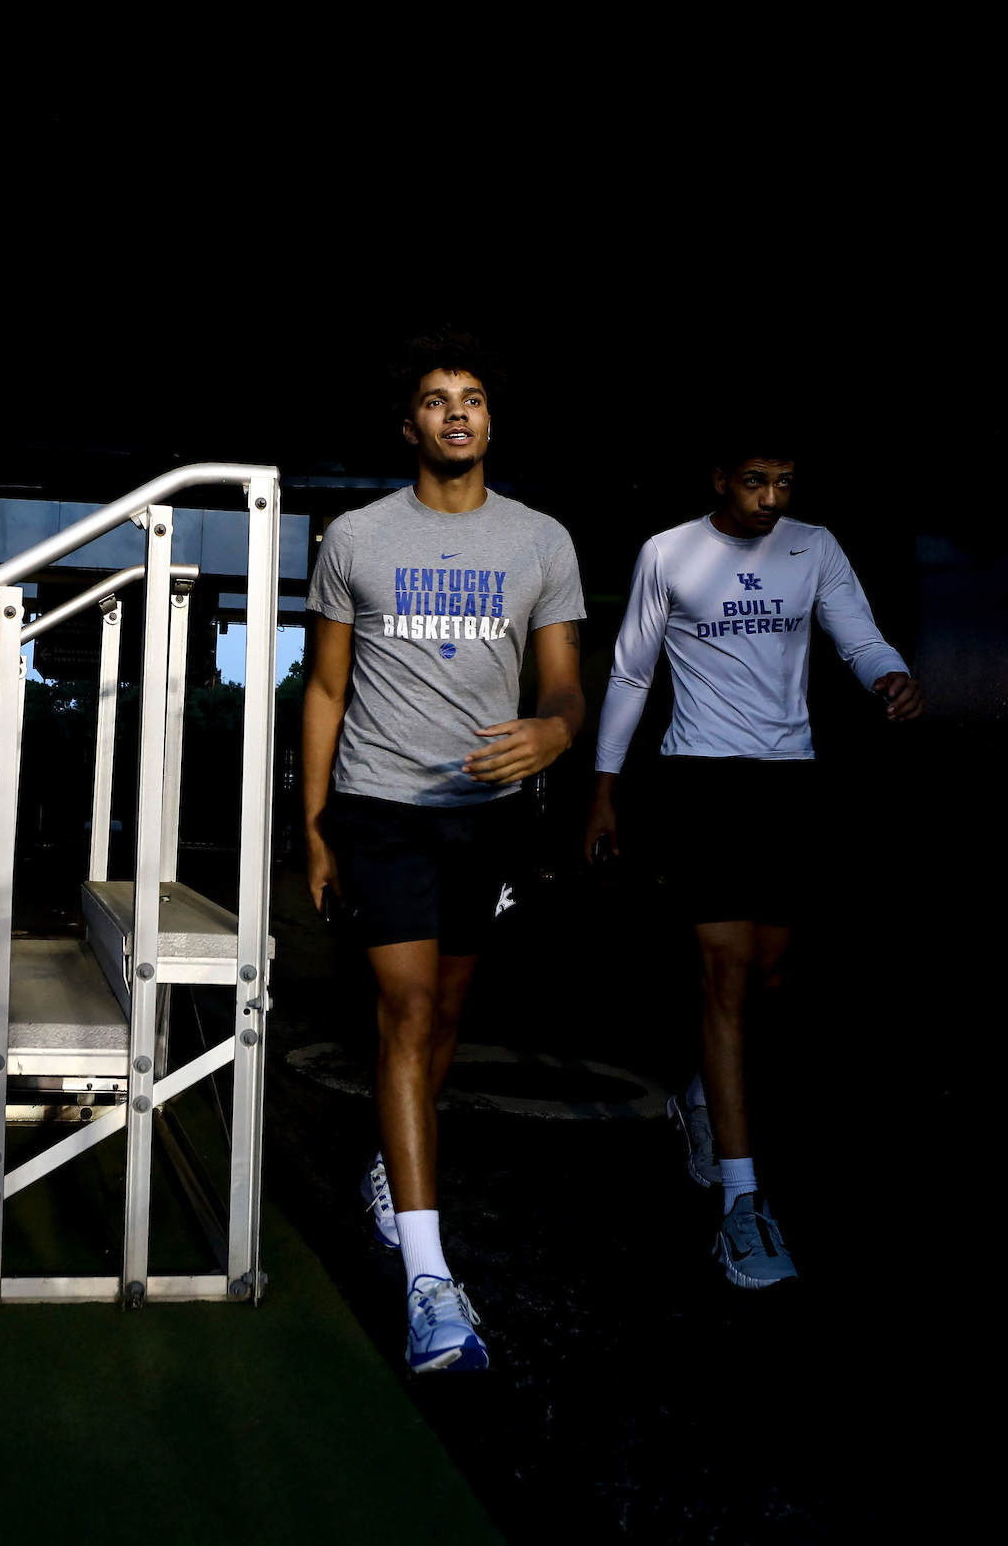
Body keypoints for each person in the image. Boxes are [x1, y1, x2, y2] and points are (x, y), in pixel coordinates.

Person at [303, 329, 587, 1372]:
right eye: (436, 398)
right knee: (406, 1010)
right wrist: (317, 827)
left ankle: (396, 1157)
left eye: (472, 397)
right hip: (381, 808)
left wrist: (556, 731)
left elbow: (562, 682)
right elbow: (325, 689)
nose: (456, 412)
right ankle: (430, 1280)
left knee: (449, 1014)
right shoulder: (355, 538)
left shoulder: (541, 541)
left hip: (491, 816)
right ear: (410, 423)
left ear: (490, 421)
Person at [583, 452, 923, 1288]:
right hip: (701, 780)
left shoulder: (815, 547)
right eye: (754, 482)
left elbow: (860, 636)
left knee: (767, 978)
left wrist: (891, 676)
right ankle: (743, 1203)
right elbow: (632, 670)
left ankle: (701, 1095)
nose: (772, 500)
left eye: (786, 482)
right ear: (715, 479)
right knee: (726, 976)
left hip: (788, 783)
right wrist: (604, 790)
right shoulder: (669, 552)